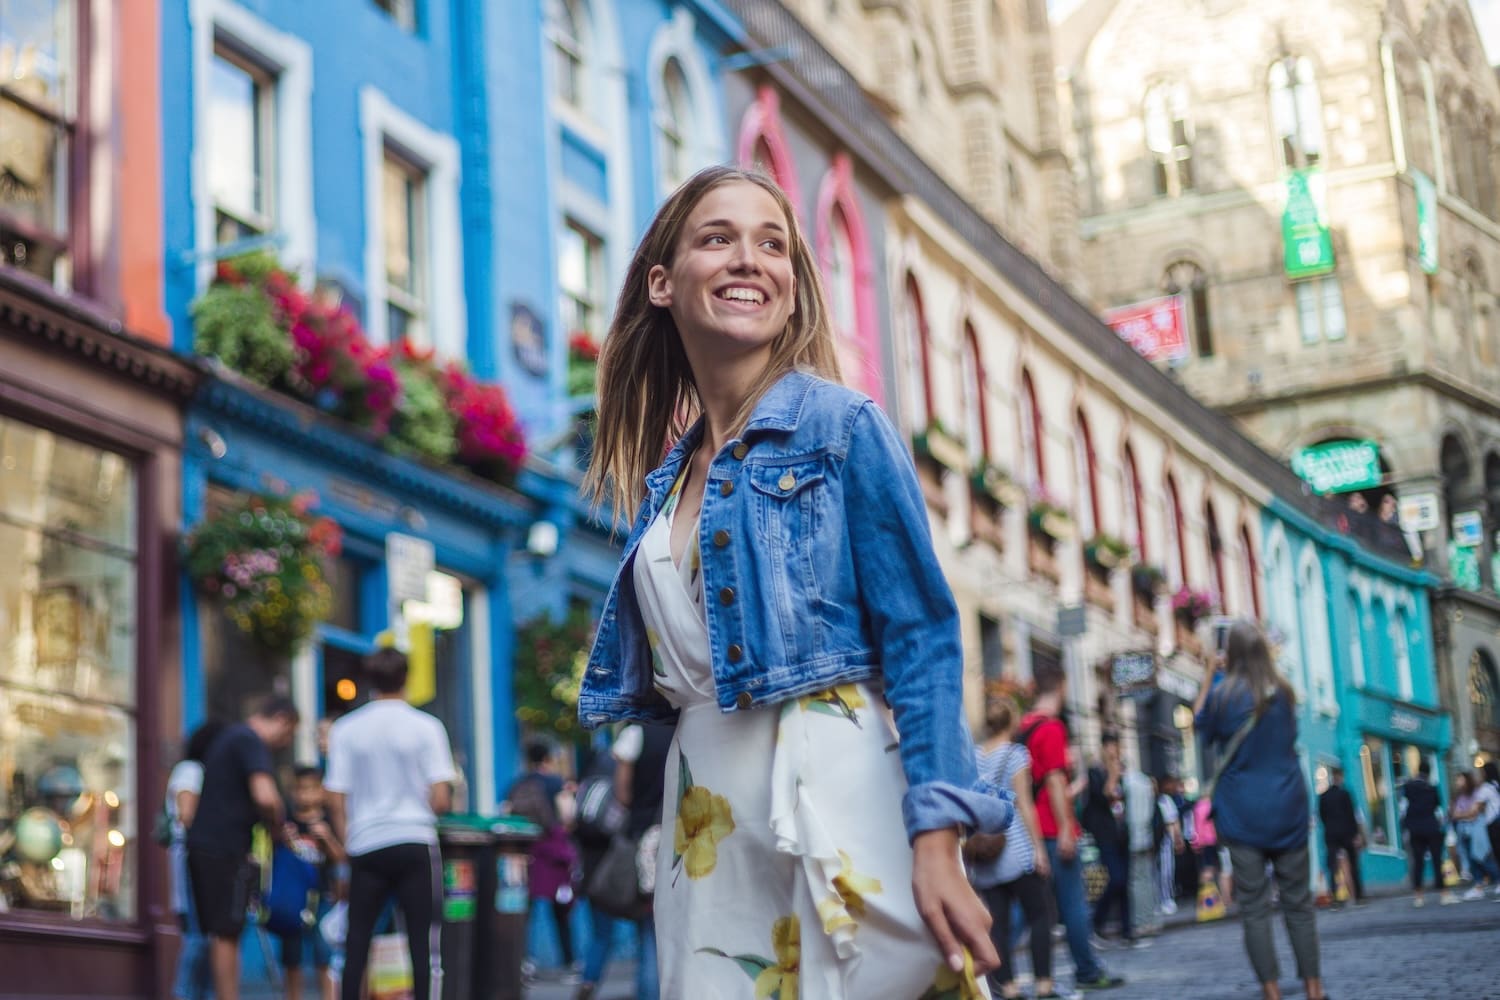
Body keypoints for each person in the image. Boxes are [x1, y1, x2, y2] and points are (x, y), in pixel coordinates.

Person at [575, 165, 1012, 997]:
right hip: (706, 825)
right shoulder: (664, 483)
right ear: (662, 282)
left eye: (772, 244)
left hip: (837, 804)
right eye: (718, 238)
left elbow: (921, 637)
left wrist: (937, 839)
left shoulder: (841, 426)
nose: (750, 260)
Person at [1193, 621, 1326, 1000]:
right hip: (1288, 806)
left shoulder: (1223, 696)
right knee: (1299, 905)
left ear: (1230, 654)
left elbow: (1199, 723)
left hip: (1242, 813)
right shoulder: (1284, 693)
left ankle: (1272, 993)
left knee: (1254, 908)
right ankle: (1314, 990)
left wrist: (1208, 673)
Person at [325, 648, 455, 1000]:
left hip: (365, 842)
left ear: (369, 680)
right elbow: (441, 798)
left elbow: (335, 797)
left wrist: (347, 840)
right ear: (407, 677)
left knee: (357, 940)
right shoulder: (427, 727)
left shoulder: (345, 729)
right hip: (414, 838)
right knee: (421, 942)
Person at [185, 696, 301, 1000]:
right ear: (281, 719)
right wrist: (278, 826)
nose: (284, 742)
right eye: (288, 734)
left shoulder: (229, 738)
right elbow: (265, 795)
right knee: (227, 931)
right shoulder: (250, 740)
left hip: (206, 846)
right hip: (226, 849)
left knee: (213, 932)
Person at [1018, 662, 1123, 991]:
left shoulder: (1021, 728)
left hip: (1031, 829)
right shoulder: (1051, 728)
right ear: (1061, 689)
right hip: (1052, 829)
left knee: (1028, 910)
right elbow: (1051, 782)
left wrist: (1075, 783)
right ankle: (1087, 971)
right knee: (1073, 905)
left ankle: (1000, 971)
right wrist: (1066, 828)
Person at [576, 722, 672, 1000]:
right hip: (685, 839)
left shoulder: (637, 733)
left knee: (649, 936)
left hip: (645, 843)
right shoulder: (690, 725)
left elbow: (623, 795)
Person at [970, 695, 1058, 1000]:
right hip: (1016, 850)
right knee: (1040, 915)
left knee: (998, 926)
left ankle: (1008, 989)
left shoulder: (974, 756)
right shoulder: (1016, 754)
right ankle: (1044, 985)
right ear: (1013, 722)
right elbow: (1025, 805)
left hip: (984, 854)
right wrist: (1039, 850)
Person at [508, 740, 581, 982]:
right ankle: (570, 963)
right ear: (548, 759)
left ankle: (523, 961)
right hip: (554, 852)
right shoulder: (556, 783)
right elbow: (568, 816)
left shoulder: (518, 784)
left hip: (527, 853)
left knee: (524, 910)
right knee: (561, 910)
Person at [167, 719, 227, 1000]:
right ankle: (184, 994)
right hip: (194, 861)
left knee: (205, 935)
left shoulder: (198, 771)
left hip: (202, 861)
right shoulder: (191, 770)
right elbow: (186, 815)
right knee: (197, 934)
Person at [279, 765, 345, 1000]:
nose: (305, 795)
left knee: (324, 953)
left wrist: (326, 838)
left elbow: (342, 858)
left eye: (311, 789)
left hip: (323, 895)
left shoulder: (330, 821)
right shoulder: (287, 822)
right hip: (293, 897)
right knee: (292, 956)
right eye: (300, 790)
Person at [1081, 734, 1133, 947]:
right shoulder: (1095, 772)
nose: (1114, 751)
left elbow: (1122, 799)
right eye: (1111, 747)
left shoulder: (1121, 772)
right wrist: (1112, 774)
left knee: (1124, 882)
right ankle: (1096, 921)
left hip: (1121, 833)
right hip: (1105, 834)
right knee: (1116, 878)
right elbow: (1103, 797)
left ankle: (1128, 931)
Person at [1400, 759, 1451, 907]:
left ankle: (1419, 896)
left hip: (1415, 828)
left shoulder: (1408, 787)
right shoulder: (1431, 788)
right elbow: (1438, 809)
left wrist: (1406, 826)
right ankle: (1444, 893)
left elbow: (1403, 808)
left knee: (1418, 862)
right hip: (1431, 826)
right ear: (1428, 772)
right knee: (1437, 860)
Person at [1318, 765, 1365, 907]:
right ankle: (1356, 895)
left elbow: (1322, 816)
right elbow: (1351, 815)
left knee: (1332, 865)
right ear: (1341, 777)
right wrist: (1356, 834)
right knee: (1353, 863)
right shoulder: (1345, 794)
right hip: (1346, 833)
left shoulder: (1324, 796)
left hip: (1331, 833)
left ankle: (1334, 897)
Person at [1122, 768, 1161, 939]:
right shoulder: (1143, 781)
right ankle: (1150, 919)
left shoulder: (1129, 783)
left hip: (1135, 838)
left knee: (1137, 880)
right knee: (1145, 878)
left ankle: (1142, 921)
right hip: (1145, 836)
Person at [1155, 776, 1185, 916]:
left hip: (1166, 841)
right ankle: (1159, 901)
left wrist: (1177, 839)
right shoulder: (1155, 800)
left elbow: (1173, 822)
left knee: (1166, 872)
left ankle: (1166, 899)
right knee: (1157, 873)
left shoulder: (1165, 800)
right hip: (1155, 842)